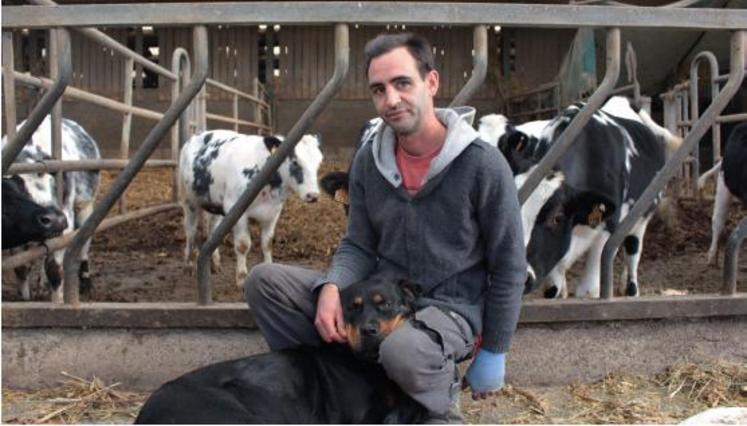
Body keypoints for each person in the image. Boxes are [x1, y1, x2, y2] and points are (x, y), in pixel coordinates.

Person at [245, 32, 526, 422]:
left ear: (431, 82)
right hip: (383, 299)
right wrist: (332, 286)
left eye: (402, 83)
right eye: (379, 89)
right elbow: (358, 244)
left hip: (451, 307)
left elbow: (509, 265)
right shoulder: (368, 162)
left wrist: (494, 350)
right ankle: (337, 383)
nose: (391, 100)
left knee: (403, 351)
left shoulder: (483, 165)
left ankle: (438, 410)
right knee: (265, 282)